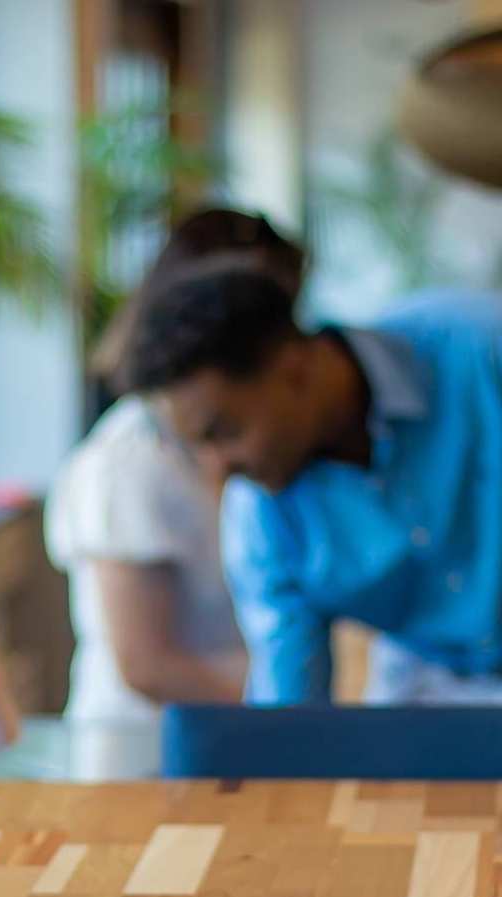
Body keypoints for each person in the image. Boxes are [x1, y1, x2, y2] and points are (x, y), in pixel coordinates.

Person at [115, 237, 502, 705]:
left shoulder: (478, 349)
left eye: (224, 431)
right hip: (430, 690)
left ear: (295, 370)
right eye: (198, 446)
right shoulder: (262, 520)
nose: (218, 470)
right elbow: (291, 714)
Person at [44, 209, 304, 775]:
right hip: (140, 755)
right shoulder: (131, 456)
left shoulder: (246, 439)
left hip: (229, 739)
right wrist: (301, 698)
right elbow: (147, 664)